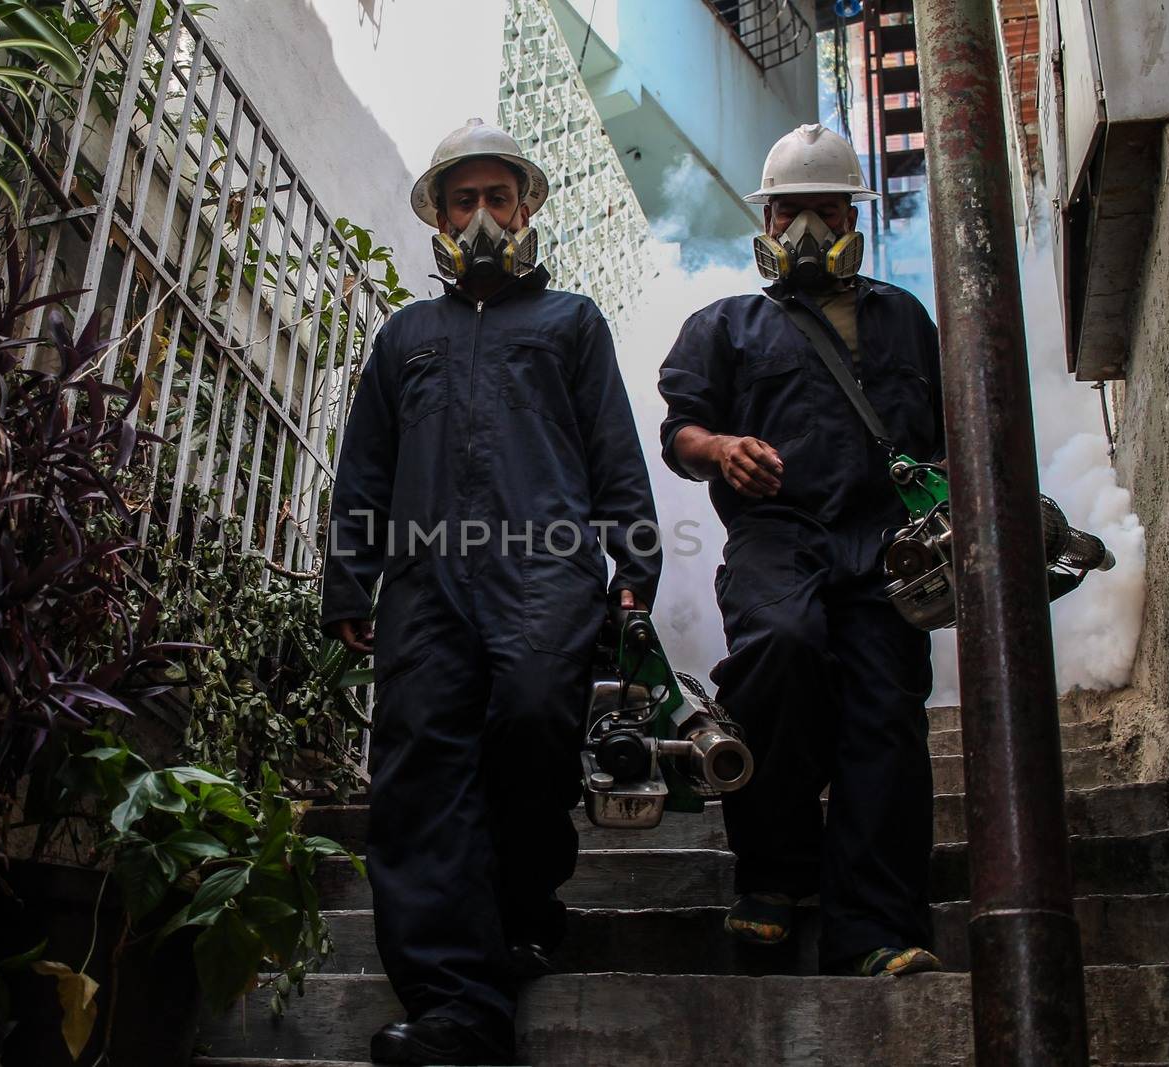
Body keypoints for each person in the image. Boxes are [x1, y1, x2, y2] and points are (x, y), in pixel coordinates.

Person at [322, 118, 661, 1065]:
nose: (480, 217)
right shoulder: (405, 338)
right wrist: (349, 577)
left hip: (545, 571)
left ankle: (524, 899)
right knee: (422, 769)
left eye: (496, 199)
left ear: (526, 209)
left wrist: (635, 572)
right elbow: (366, 470)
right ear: (439, 218)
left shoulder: (572, 323)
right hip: (425, 582)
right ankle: (455, 1004)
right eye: (462, 200)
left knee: (530, 720)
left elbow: (614, 459)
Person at [657, 123, 945, 978]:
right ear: (767, 220)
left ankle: (875, 929)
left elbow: (949, 437)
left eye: (827, 212)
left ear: (851, 216)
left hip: (887, 543)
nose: (809, 232)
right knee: (780, 649)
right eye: (793, 214)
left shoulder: (906, 319)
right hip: (777, 534)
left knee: (884, 713)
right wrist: (721, 449)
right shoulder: (727, 324)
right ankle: (775, 874)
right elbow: (680, 428)